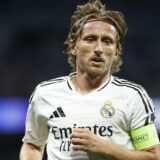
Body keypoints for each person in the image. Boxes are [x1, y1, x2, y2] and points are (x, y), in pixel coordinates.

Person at [19, 0, 160, 160]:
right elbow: (33, 145)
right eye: (90, 39)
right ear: (73, 47)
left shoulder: (133, 96)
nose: (99, 49)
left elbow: (152, 156)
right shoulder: (45, 94)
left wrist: (105, 148)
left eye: (107, 41)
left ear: (116, 51)